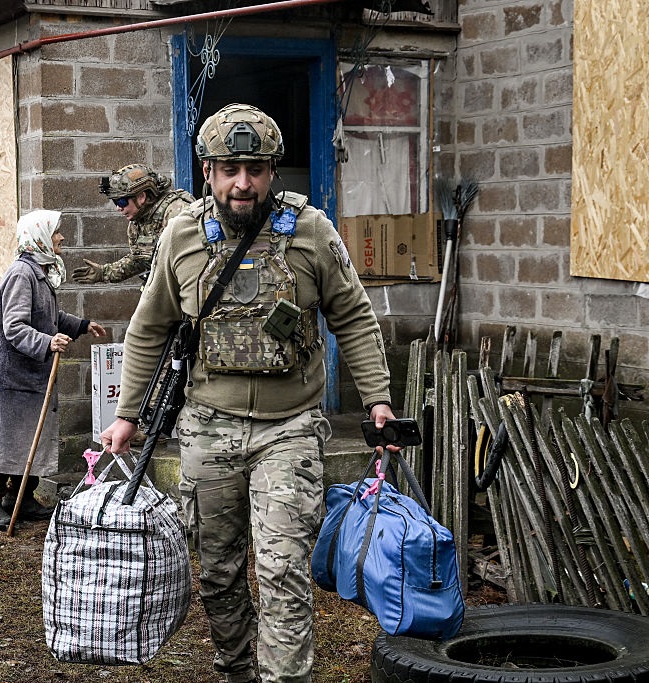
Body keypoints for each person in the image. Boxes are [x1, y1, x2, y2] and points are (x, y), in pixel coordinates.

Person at [100, 103, 396, 683]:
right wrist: (127, 415)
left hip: (289, 429)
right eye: (230, 168)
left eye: (255, 169)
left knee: (283, 569)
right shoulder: (181, 237)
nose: (243, 182)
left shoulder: (311, 231)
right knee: (217, 571)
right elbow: (148, 327)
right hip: (207, 426)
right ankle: (236, 669)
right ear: (207, 170)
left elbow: (354, 317)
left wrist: (377, 398)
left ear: (271, 172)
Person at [0, 209, 106, 531]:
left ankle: (21, 498)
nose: (62, 237)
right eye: (56, 232)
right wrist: (47, 343)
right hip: (12, 378)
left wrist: (82, 325)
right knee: (7, 440)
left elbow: (48, 316)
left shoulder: (39, 273)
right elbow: (15, 326)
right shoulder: (22, 274)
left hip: (29, 375)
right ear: (41, 238)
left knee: (29, 439)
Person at [71, 163, 193, 284]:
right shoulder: (138, 221)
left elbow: (193, 262)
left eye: (122, 201)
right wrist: (104, 273)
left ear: (141, 197)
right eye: (115, 202)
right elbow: (138, 259)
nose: (118, 208)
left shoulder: (177, 212)